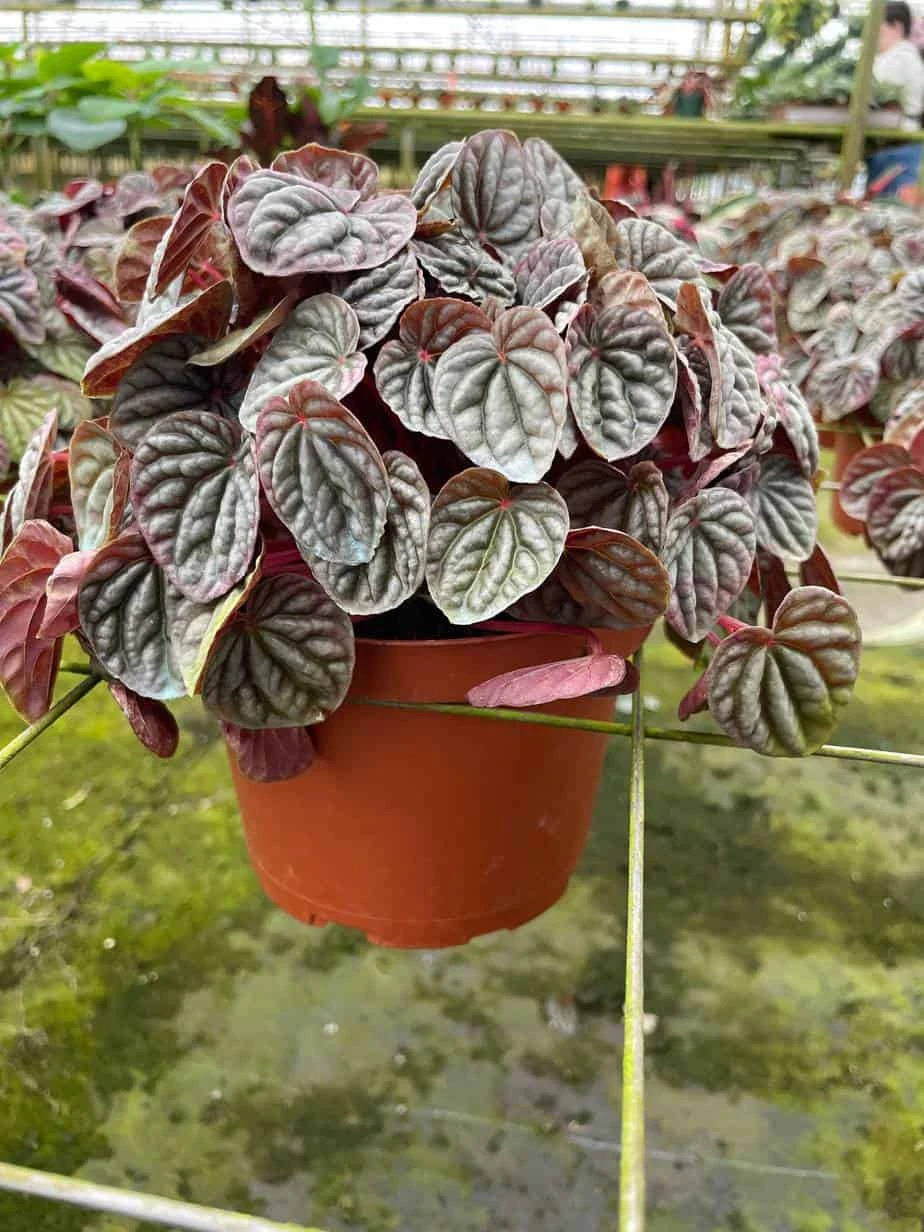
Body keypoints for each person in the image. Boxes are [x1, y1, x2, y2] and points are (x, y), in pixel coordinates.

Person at [867, 2, 924, 195]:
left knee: (893, 211)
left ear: (897, 26)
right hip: (890, 148)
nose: (873, 36)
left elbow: (874, 88)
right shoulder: (892, 56)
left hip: (900, 148)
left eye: (878, 28)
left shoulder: (902, 56)